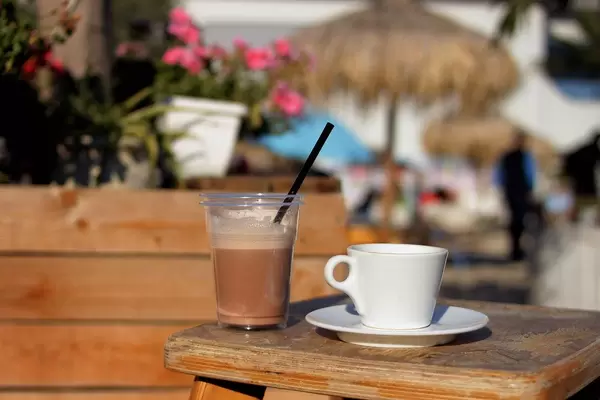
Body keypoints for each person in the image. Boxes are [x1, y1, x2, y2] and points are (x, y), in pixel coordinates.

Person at [493, 130, 537, 261]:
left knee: (517, 222)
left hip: (514, 192)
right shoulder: (520, 156)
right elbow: (530, 176)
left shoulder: (515, 156)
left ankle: (516, 249)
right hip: (517, 193)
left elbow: (499, 177)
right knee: (517, 222)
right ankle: (516, 249)